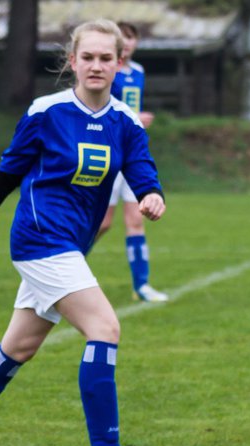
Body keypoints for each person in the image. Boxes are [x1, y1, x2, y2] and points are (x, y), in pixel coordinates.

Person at [0, 20, 165, 446]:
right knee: (105, 327)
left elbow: (142, 171)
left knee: (19, 346)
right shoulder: (46, 112)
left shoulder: (125, 122)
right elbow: (4, 179)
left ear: (119, 64)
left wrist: (153, 196)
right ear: (72, 62)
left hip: (71, 246)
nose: (96, 66)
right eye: (87, 57)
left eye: (105, 58)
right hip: (39, 239)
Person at [95, 21, 168, 302]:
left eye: (130, 38)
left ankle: (142, 286)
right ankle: (65, 270)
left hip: (132, 156)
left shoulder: (138, 72)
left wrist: (139, 120)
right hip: (106, 155)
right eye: (121, 37)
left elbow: (130, 111)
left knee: (136, 221)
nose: (126, 43)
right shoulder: (104, 73)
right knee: (102, 224)